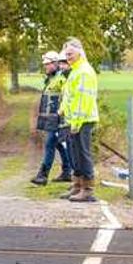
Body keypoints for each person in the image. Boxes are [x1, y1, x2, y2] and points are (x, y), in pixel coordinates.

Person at [58, 38, 99, 202]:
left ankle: (87, 189)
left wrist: (76, 122)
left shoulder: (84, 71)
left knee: (83, 154)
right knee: (74, 154)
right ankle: (77, 186)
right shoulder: (75, 70)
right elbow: (70, 96)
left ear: (79, 52)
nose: (68, 57)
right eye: (66, 54)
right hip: (73, 120)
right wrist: (62, 109)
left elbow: (83, 100)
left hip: (82, 120)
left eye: (71, 53)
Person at [31, 51, 73, 185]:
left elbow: (66, 98)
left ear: (55, 64)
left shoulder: (62, 79)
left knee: (50, 144)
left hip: (58, 118)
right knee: (59, 144)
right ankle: (67, 172)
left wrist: (62, 117)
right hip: (51, 119)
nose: (46, 67)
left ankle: (42, 175)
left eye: (48, 64)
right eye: (45, 64)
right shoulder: (50, 79)